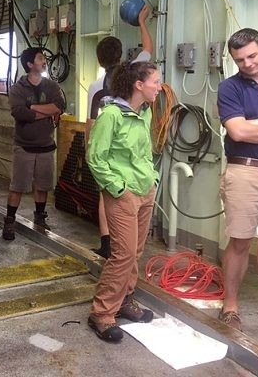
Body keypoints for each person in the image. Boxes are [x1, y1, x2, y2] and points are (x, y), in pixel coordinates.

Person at [86, 61, 161, 342]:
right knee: (123, 254)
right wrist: (118, 188)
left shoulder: (145, 113)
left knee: (136, 252)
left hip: (145, 190)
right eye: (155, 81)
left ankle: (125, 300)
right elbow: (95, 158)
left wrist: (152, 180)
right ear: (138, 85)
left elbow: (144, 154)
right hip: (123, 194)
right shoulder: (111, 115)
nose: (159, 86)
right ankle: (102, 313)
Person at [216, 28, 258, 331]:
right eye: (239, 60)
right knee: (240, 241)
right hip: (244, 171)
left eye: (252, 55)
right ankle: (230, 304)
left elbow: (246, 127)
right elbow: (237, 132)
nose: (247, 63)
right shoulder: (229, 88)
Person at [86, 5, 153, 258]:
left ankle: (107, 242)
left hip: (105, 146)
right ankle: (126, 241)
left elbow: (91, 122)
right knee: (132, 197)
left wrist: (89, 150)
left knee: (107, 195)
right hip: (129, 147)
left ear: (99, 60)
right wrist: (142, 21)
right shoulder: (135, 70)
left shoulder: (95, 86)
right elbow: (148, 47)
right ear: (122, 54)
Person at [3, 47, 65, 240]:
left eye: (44, 58)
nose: (44, 61)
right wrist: (46, 112)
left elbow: (59, 106)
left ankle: (39, 217)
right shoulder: (18, 88)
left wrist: (33, 108)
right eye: (40, 58)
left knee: (43, 185)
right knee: (18, 185)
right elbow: (20, 113)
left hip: (46, 144)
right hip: (24, 146)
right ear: (30, 64)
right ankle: (10, 220)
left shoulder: (51, 86)